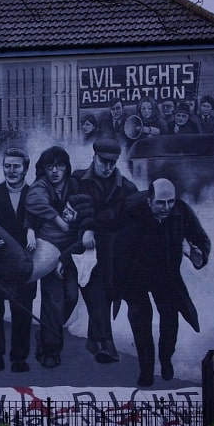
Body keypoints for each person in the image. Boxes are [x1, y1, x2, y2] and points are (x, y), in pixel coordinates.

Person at [116, 179, 210, 386]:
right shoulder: (130, 210)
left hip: (166, 272)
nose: (166, 208)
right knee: (141, 321)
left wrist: (198, 255)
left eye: (170, 202)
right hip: (135, 274)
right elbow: (113, 245)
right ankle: (146, 370)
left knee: (170, 319)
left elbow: (201, 238)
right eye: (160, 203)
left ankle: (166, 358)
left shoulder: (181, 211)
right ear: (149, 201)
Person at [24, 146, 91, 368]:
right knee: (53, 300)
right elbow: (33, 202)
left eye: (59, 166)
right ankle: (51, 351)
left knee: (71, 297)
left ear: (66, 168)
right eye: (50, 166)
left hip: (71, 250)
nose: (54, 171)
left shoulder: (74, 185)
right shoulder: (40, 186)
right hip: (48, 250)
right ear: (43, 169)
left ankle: (46, 334)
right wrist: (56, 219)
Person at [74, 138, 137, 364]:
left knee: (106, 293)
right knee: (96, 291)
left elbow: (135, 219)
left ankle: (94, 339)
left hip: (113, 251)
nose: (108, 167)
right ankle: (106, 344)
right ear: (94, 157)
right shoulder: (77, 180)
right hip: (83, 248)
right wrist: (85, 230)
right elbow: (69, 208)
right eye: (104, 161)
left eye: (113, 162)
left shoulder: (127, 187)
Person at [0, 147, 37, 375]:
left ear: (26, 168)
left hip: (24, 267)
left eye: (16, 166)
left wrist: (33, 232)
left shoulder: (37, 198)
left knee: (22, 313)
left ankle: (19, 358)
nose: (11, 171)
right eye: (7, 166)